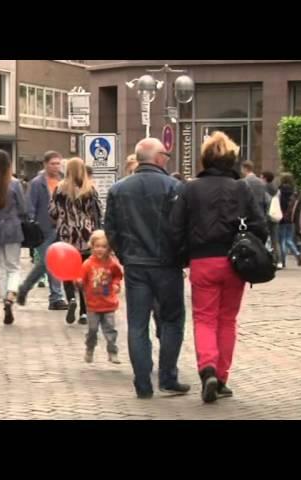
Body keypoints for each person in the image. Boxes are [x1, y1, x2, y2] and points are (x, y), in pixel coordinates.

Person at [171, 131, 268, 403]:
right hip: (234, 262)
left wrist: (182, 257)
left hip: (202, 261)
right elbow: (260, 225)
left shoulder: (189, 188)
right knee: (227, 320)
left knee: (204, 318)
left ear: (205, 159)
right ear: (231, 159)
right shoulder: (241, 188)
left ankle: (207, 369)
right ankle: (222, 376)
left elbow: (175, 228)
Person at [105, 137, 189, 399]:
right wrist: (181, 257)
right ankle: (168, 377)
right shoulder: (174, 187)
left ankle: (142, 382)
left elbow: (111, 229)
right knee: (172, 320)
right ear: (158, 157)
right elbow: (182, 228)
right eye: (165, 154)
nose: (167, 158)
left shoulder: (119, 189)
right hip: (167, 264)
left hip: (136, 265)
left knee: (138, 324)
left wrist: (124, 254)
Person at [49, 157, 102, 325]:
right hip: (86, 237)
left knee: (67, 272)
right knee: (85, 273)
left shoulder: (59, 189)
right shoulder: (90, 190)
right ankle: (84, 312)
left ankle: (71, 298)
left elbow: (52, 212)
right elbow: (99, 212)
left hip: (66, 237)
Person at [17, 151, 68, 311]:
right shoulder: (37, 183)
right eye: (52, 163)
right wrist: (32, 223)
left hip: (61, 228)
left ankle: (48, 295)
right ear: (45, 164)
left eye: (58, 163)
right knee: (49, 261)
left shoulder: (63, 181)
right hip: (42, 229)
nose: (56, 166)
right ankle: (55, 296)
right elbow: (30, 205)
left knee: (53, 262)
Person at [0, 150, 26, 325]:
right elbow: (23, 208)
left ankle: (4, 299)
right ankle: (11, 295)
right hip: (12, 227)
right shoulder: (15, 184)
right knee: (14, 267)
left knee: (0, 267)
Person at [79, 230, 123, 364]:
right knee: (92, 330)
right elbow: (81, 278)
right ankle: (90, 348)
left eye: (104, 247)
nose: (100, 249)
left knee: (110, 329)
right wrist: (79, 282)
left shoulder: (112, 263)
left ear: (109, 248)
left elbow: (118, 275)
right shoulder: (87, 264)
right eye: (97, 246)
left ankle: (112, 351)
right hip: (93, 304)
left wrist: (116, 285)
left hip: (109, 303)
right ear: (91, 247)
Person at [278, 172, 301, 268]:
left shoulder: (280, 190)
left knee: (282, 240)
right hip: (292, 218)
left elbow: (280, 204)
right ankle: (296, 252)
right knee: (289, 238)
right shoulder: (295, 190)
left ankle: (283, 260)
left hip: (282, 217)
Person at [261, 170, 282, 268]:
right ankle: (279, 261)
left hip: (267, 216)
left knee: (264, 239)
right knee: (275, 240)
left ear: (265, 178)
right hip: (275, 215)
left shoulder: (264, 188)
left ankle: (267, 260)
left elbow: (264, 201)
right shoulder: (276, 188)